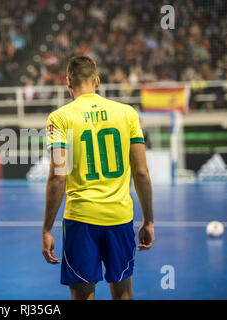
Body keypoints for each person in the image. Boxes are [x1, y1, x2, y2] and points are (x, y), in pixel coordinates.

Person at [42, 56, 155, 300]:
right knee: (124, 293)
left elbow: (58, 177)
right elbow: (142, 173)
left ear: (68, 82)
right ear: (97, 81)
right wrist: (149, 220)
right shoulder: (127, 113)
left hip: (81, 219)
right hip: (120, 217)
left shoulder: (60, 118)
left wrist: (46, 229)